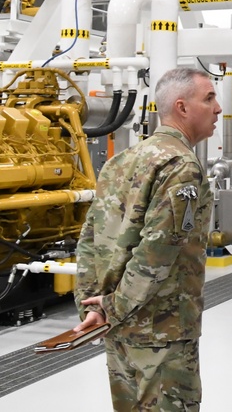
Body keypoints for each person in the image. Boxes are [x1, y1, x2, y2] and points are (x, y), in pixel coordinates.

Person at [73, 67, 221, 411]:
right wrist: (112, 308)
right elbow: (157, 252)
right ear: (182, 108)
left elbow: (88, 241)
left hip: (118, 329)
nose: (218, 108)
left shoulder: (119, 162)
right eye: (209, 98)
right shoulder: (181, 166)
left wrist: (93, 307)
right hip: (162, 333)